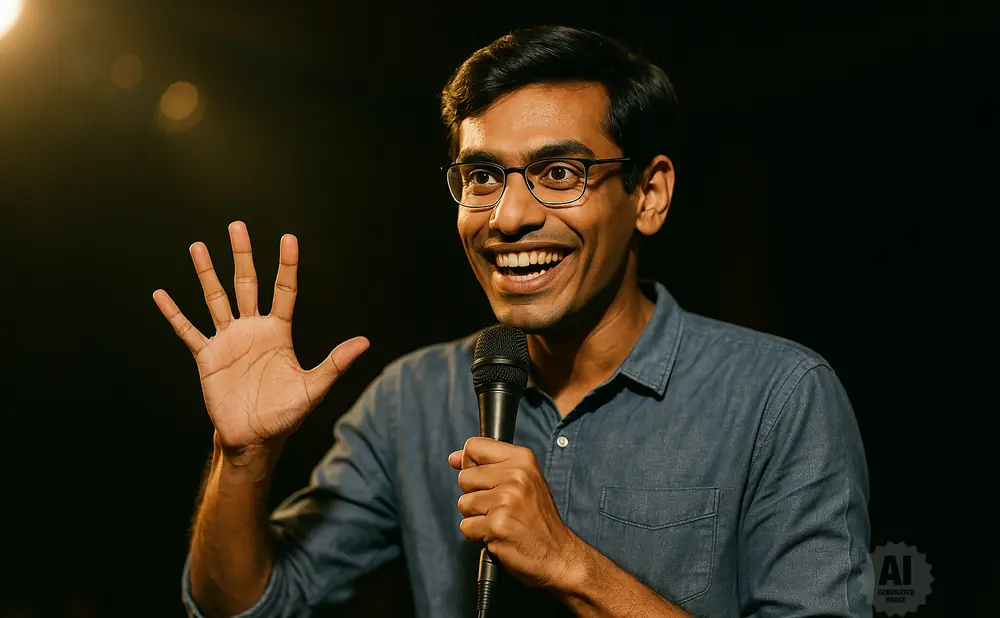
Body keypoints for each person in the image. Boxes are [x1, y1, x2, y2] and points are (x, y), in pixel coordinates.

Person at [154, 25, 871, 618]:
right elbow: (246, 606)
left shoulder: (778, 395)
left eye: (559, 174)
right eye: (482, 177)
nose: (509, 216)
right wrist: (242, 460)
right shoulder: (412, 399)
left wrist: (567, 563)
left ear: (648, 195)